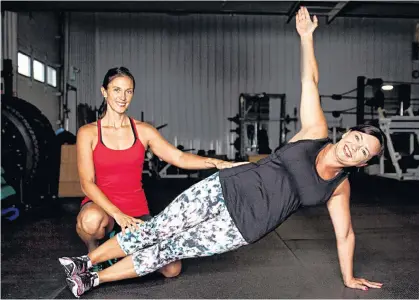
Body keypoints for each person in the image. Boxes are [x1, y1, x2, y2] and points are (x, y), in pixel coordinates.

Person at [59, 7, 385, 298]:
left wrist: (349, 276)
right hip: (223, 187)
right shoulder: (316, 133)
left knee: (166, 252)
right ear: (350, 133)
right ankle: (84, 263)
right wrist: (306, 38)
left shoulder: (338, 187)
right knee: (155, 230)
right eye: (357, 139)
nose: (354, 148)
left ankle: (92, 280)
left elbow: (345, 234)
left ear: (364, 162)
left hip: (241, 227)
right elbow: (309, 81)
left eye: (363, 152)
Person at [72, 66, 242, 277]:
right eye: (116, 90)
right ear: (104, 91)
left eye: (129, 91)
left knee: (172, 269)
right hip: (103, 209)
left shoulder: (143, 131)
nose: (123, 97)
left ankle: (117, 256)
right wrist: (117, 214)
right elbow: (86, 183)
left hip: (135, 211)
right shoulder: (88, 133)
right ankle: (94, 254)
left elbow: (178, 157)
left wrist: (216, 163)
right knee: (91, 221)